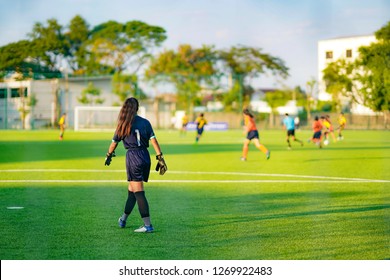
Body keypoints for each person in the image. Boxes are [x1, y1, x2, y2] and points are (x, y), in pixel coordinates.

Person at [105, 97, 167, 233]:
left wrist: (109, 155)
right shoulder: (145, 122)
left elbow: (114, 143)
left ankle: (148, 225)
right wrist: (160, 158)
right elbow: (154, 141)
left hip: (133, 158)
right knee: (132, 192)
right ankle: (123, 219)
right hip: (145, 156)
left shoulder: (123, 123)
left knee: (139, 192)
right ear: (137, 108)